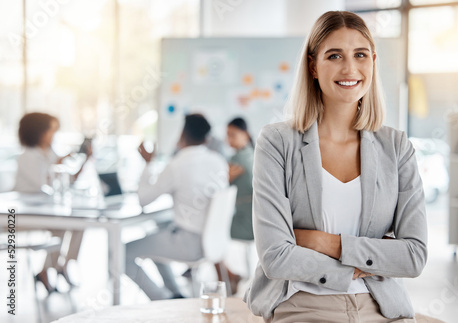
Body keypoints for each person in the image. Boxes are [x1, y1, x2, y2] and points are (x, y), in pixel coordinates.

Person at [244, 11, 428, 323]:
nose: (350, 68)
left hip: (380, 307)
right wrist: (364, 261)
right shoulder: (277, 142)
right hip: (302, 306)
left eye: (360, 55)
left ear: (372, 61)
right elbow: (275, 257)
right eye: (334, 56)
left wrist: (325, 242)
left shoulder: (396, 147)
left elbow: (413, 256)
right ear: (313, 66)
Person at [126, 114, 228, 300]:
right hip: (212, 241)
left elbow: (143, 199)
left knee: (122, 253)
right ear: (206, 138)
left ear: (182, 135)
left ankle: (162, 299)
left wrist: (148, 164)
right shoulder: (219, 161)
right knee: (157, 233)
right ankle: (175, 295)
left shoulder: (177, 165)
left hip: (189, 245)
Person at [13, 112, 91, 292]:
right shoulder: (27, 156)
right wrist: (58, 164)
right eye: (51, 131)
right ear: (38, 132)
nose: (53, 135)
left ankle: (62, 266)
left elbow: (68, 180)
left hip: (45, 211)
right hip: (24, 213)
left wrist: (84, 160)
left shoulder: (49, 153)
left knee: (80, 223)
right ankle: (47, 271)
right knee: (61, 226)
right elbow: (44, 184)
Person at [215, 117, 255, 294]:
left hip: (246, 224)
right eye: (227, 135)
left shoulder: (238, 159)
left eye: (232, 135)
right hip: (254, 220)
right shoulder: (252, 153)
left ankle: (227, 276)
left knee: (209, 233)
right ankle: (229, 274)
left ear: (245, 134)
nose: (228, 140)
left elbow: (217, 185)